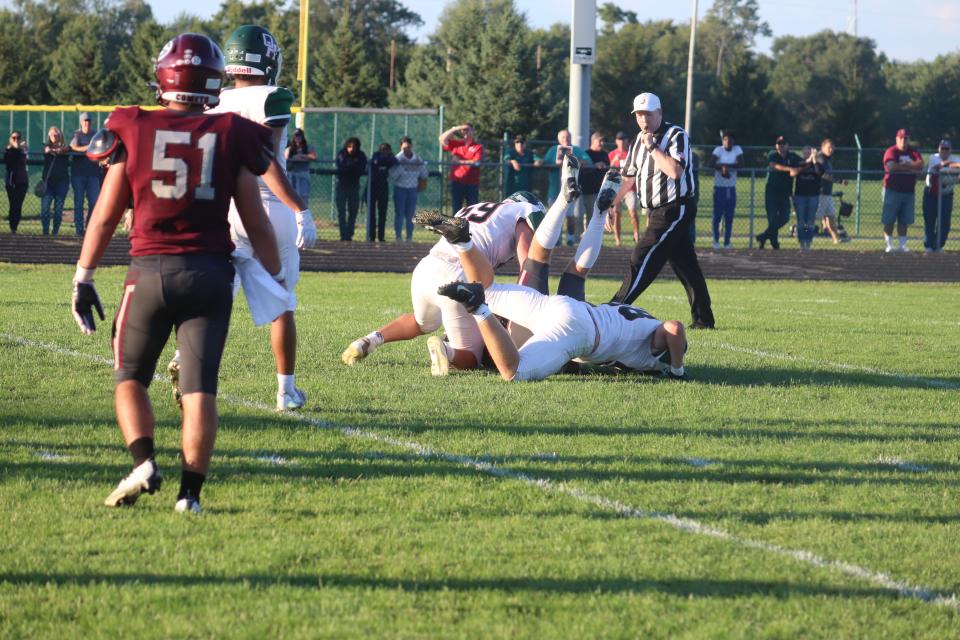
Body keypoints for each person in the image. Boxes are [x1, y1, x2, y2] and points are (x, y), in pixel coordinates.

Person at [70, 33, 282, 514]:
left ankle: (143, 461)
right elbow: (256, 222)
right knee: (199, 388)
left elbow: (104, 216)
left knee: (129, 377)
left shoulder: (132, 125)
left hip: (148, 271)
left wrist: (83, 275)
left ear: (163, 76)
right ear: (213, 81)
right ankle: (190, 496)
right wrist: (276, 280)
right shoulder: (233, 132)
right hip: (209, 274)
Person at [423, 172, 689, 383]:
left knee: (494, 284)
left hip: (569, 309)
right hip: (580, 332)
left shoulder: (641, 318)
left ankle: (465, 242)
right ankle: (478, 307)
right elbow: (674, 329)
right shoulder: (654, 346)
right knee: (514, 372)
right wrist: (677, 369)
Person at [341, 154, 583, 375]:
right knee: (472, 356)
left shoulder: (480, 208)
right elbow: (528, 267)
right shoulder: (525, 211)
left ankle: (368, 341)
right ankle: (445, 351)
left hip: (427, 268)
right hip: (459, 274)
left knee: (423, 322)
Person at [206, 24, 318, 412]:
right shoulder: (273, 97)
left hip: (226, 207)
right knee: (282, 302)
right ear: (268, 60)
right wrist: (300, 208)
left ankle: (190, 361)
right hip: (269, 207)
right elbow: (267, 161)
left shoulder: (214, 101)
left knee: (219, 295)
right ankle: (285, 391)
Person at [606, 92, 715, 329]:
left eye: (648, 114)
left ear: (660, 113)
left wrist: (653, 148)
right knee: (685, 265)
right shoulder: (637, 140)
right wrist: (612, 204)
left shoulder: (676, 135)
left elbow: (675, 171)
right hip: (655, 211)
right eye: (640, 115)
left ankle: (614, 308)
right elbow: (628, 177)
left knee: (642, 255)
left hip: (675, 207)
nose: (644, 120)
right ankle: (703, 319)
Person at [538, 129, 593, 246]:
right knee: (554, 217)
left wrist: (575, 160)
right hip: (554, 190)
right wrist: (551, 162)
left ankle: (570, 239)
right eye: (563, 137)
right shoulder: (553, 150)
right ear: (558, 139)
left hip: (571, 189)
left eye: (567, 137)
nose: (565, 139)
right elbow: (545, 163)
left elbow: (588, 161)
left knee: (570, 216)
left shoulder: (576, 150)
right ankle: (555, 241)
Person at [881, 128, 923, 253]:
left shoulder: (913, 152)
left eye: (905, 138)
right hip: (892, 190)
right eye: (901, 138)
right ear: (896, 138)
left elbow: (920, 165)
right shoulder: (891, 151)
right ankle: (889, 245)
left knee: (904, 220)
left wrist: (903, 166)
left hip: (908, 191)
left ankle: (902, 246)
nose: (903, 140)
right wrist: (911, 168)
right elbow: (891, 167)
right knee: (889, 219)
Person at [756, 136, 801, 250]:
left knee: (784, 217)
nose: (780, 146)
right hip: (772, 192)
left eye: (783, 144)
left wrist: (811, 158)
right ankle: (774, 243)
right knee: (772, 219)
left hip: (785, 193)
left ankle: (764, 237)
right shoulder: (773, 154)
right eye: (778, 144)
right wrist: (790, 169)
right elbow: (774, 166)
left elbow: (803, 162)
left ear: (788, 145)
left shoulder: (793, 156)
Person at [922, 139, 959, 253]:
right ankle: (929, 245)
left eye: (947, 149)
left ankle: (939, 245)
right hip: (931, 193)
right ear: (938, 149)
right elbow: (939, 167)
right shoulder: (933, 157)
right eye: (942, 148)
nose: (944, 151)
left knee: (944, 221)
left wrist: (948, 164)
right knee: (930, 219)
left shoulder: (955, 158)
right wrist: (949, 165)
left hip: (946, 194)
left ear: (950, 150)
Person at [69, 112, 102, 236]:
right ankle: (79, 230)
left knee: (94, 202)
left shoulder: (96, 135)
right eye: (84, 121)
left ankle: (89, 228)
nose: (87, 123)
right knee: (79, 203)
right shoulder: (77, 134)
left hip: (93, 174)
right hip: (78, 174)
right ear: (81, 122)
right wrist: (87, 148)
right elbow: (73, 146)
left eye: (88, 121)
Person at [390, 136, 428, 242]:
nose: (407, 149)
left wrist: (419, 168)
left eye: (409, 147)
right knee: (399, 214)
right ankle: (398, 237)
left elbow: (424, 174)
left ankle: (409, 237)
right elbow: (393, 175)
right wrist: (402, 167)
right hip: (400, 189)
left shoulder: (417, 158)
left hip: (412, 190)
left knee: (410, 215)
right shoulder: (397, 159)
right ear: (401, 147)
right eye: (404, 147)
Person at [439, 123, 483, 213]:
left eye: (467, 129)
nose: (465, 131)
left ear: (473, 131)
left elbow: (476, 162)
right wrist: (455, 128)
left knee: (473, 210)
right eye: (463, 130)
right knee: (456, 210)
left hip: (472, 183)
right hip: (457, 182)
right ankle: (457, 227)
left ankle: (471, 227)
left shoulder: (478, 147)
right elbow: (442, 139)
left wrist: (460, 162)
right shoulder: (457, 144)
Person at [710, 130, 742, 249]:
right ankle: (716, 241)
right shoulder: (718, 150)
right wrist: (722, 167)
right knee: (717, 216)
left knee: (729, 217)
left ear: (734, 141)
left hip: (731, 187)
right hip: (719, 188)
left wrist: (727, 167)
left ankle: (727, 242)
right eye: (725, 139)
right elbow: (711, 164)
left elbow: (741, 164)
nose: (728, 142)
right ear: (723, 141)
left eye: (730, 140)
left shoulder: (737, 149)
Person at [607, 131, 639, 246]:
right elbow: (608, 170)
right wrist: (614, 160)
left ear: (627, 141)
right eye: (619, 139)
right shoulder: (612, 154)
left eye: (623, 139)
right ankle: (617, 240)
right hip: (616, 187)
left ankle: (636, 235)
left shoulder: (631, 153)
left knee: (633, 212)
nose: (621, 142)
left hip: (630, 187)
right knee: (616, 213)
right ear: (616, 141)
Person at [815, 138, 848, 244]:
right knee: (812, 218)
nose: (831, 149)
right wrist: (839, 180)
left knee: (831, 217)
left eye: (833, 147)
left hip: (827, 194)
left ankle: (836, 239)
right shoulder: (820, 158)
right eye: (829, 147)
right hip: (820, 193)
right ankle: (804, 234)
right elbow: (823, 174)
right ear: (822, 147)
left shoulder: (827, 159)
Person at [40, 127, 71, 235]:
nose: (54, 136)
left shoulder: (64, 147)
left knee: (58, 210)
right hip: (48, 183)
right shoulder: (46, 146)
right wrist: (52, 150)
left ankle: (55, 232)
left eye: (56, 134)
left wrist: (59, 150)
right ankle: (45, 231)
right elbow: (45, 150)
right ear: (49, 136)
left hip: (62, 183)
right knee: (45, 208)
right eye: (52, 134)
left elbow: (67, 149)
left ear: (60, 135)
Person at [335, 136, 367, 241]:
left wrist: (351, 166)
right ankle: (343, 235)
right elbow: (342, 166)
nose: (351, 149)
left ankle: (349, 234)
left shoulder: (361, 155)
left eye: (354, 147)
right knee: (341, 212)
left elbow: (361, 169)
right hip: (342, 186)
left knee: (353, 212)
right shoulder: (341, 153)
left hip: (354, 187)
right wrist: (353, 165)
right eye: (349, 146)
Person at [793, 145, 824, 251]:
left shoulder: (817, 164)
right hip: (800, 196)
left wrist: (814, 161)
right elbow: (796, 171)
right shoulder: (799, 163)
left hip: (813, 196)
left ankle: (808, 241)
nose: (808, 154)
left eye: (809, 153)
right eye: (806, 153)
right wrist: (809, 160)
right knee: (801, 220)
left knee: (810, 221)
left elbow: (819, 172)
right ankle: (802, 242)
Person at [580, 132, 609, 237]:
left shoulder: (604, 154)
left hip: (602, 191)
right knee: (590, 215)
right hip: (589, 190)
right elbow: (583, 170)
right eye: (599, 140)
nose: (602, 143)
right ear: (593, 141)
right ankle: (586, 238)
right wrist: (594, 166)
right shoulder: (586, 153)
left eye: (603, 141)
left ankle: (595, 238)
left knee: (600, 217)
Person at [368, 142, 397, 242]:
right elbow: (375, 161)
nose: (384, 151)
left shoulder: (391, 158)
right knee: (371, 213)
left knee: (382, 213)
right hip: (372, 187)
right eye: (382, 149)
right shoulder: (376, 156)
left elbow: (394, 161)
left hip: (383, 187)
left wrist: (384, 160)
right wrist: (383, 161)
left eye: (386, 149)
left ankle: (381, 236)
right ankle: (371, 236)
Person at [4, 131, 28, 233]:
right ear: (10, 139)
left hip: (22, 180)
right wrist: (14, 148)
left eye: (18, 138)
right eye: (13, 138)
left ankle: (15, 227)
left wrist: (19, 148)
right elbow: (9, 160)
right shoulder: (8, 150)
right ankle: (12, 227)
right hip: (11, 181)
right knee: (13, 204)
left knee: (18, 205)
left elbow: (23, 156)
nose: (16, 140)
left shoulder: (23, 150)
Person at [285, 128, 316, 207]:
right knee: (291, 195)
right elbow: (285, 157)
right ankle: (291, 214)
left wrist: (302, 156)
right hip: (291, 174)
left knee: (303, 195)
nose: (297, 138)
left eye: (299, 136)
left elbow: (313, 156)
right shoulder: (290, 148)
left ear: (302, 137)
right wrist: (294, 158)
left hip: (303, 173)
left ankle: (303, 212)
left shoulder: (308, 147)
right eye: (296, 136)